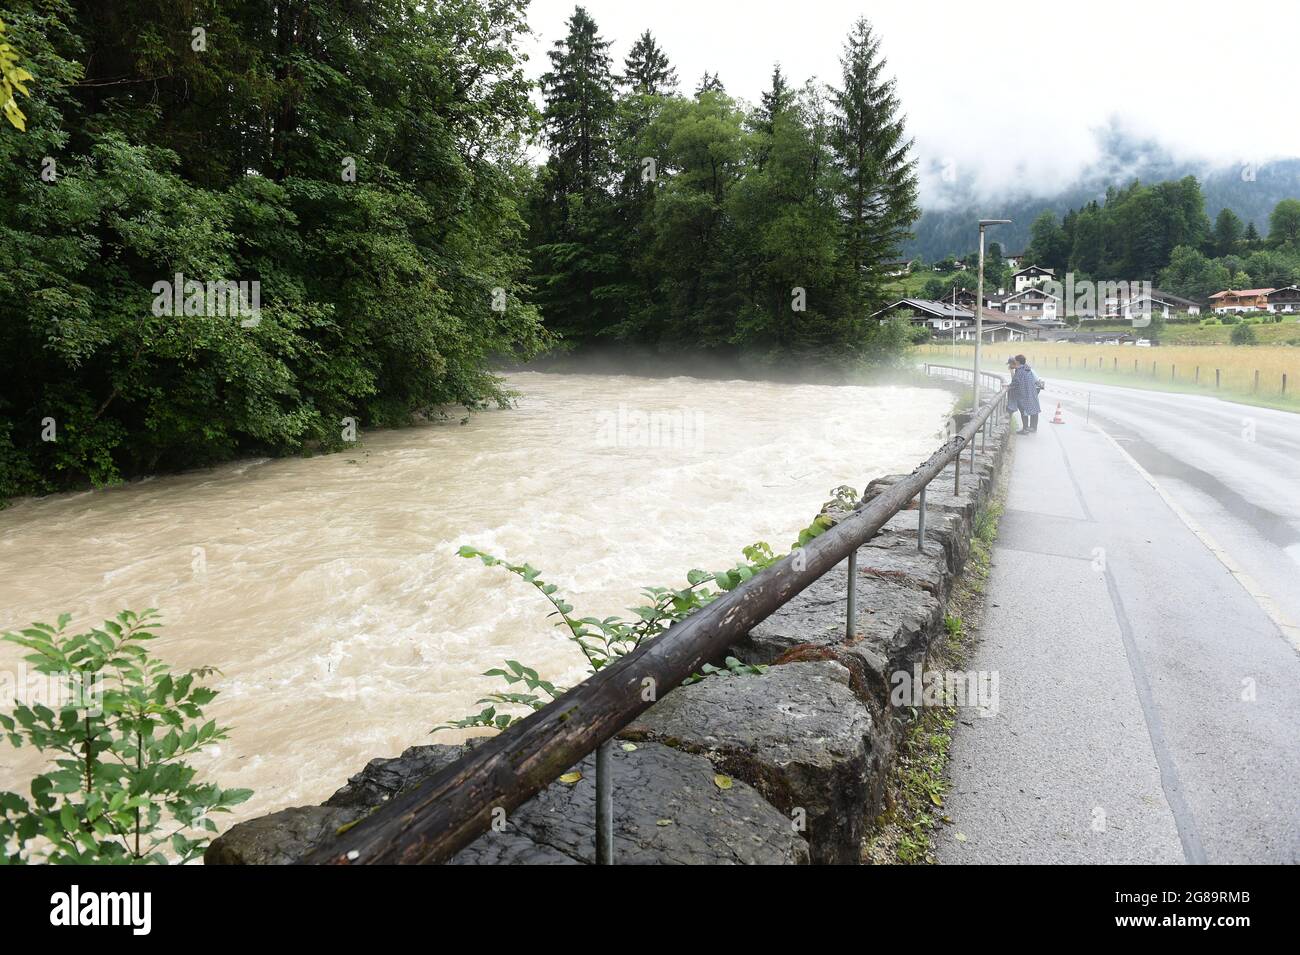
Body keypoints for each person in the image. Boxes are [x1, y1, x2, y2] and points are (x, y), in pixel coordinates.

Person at [1010, 354, 1041, 434]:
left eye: (1015, 360)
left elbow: (1015, 382)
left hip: (1024, 394)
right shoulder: (1027, 368)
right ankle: (1033, 428)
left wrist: (1008, 387)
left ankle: (1025, 429)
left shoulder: (1020, 371)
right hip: (1032, 392)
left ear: (1018, 361)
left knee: (1023, 410)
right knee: (1034, 409)